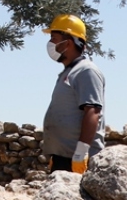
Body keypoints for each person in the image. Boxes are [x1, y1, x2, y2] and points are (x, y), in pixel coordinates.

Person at [41, 14, 105, 175]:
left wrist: (81, 153)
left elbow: (92, 111)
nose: (50, 44)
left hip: (79, 161)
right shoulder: (69, 72)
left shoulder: (87, 71)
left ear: (67, 43)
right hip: (63, 158)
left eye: (54, 38)